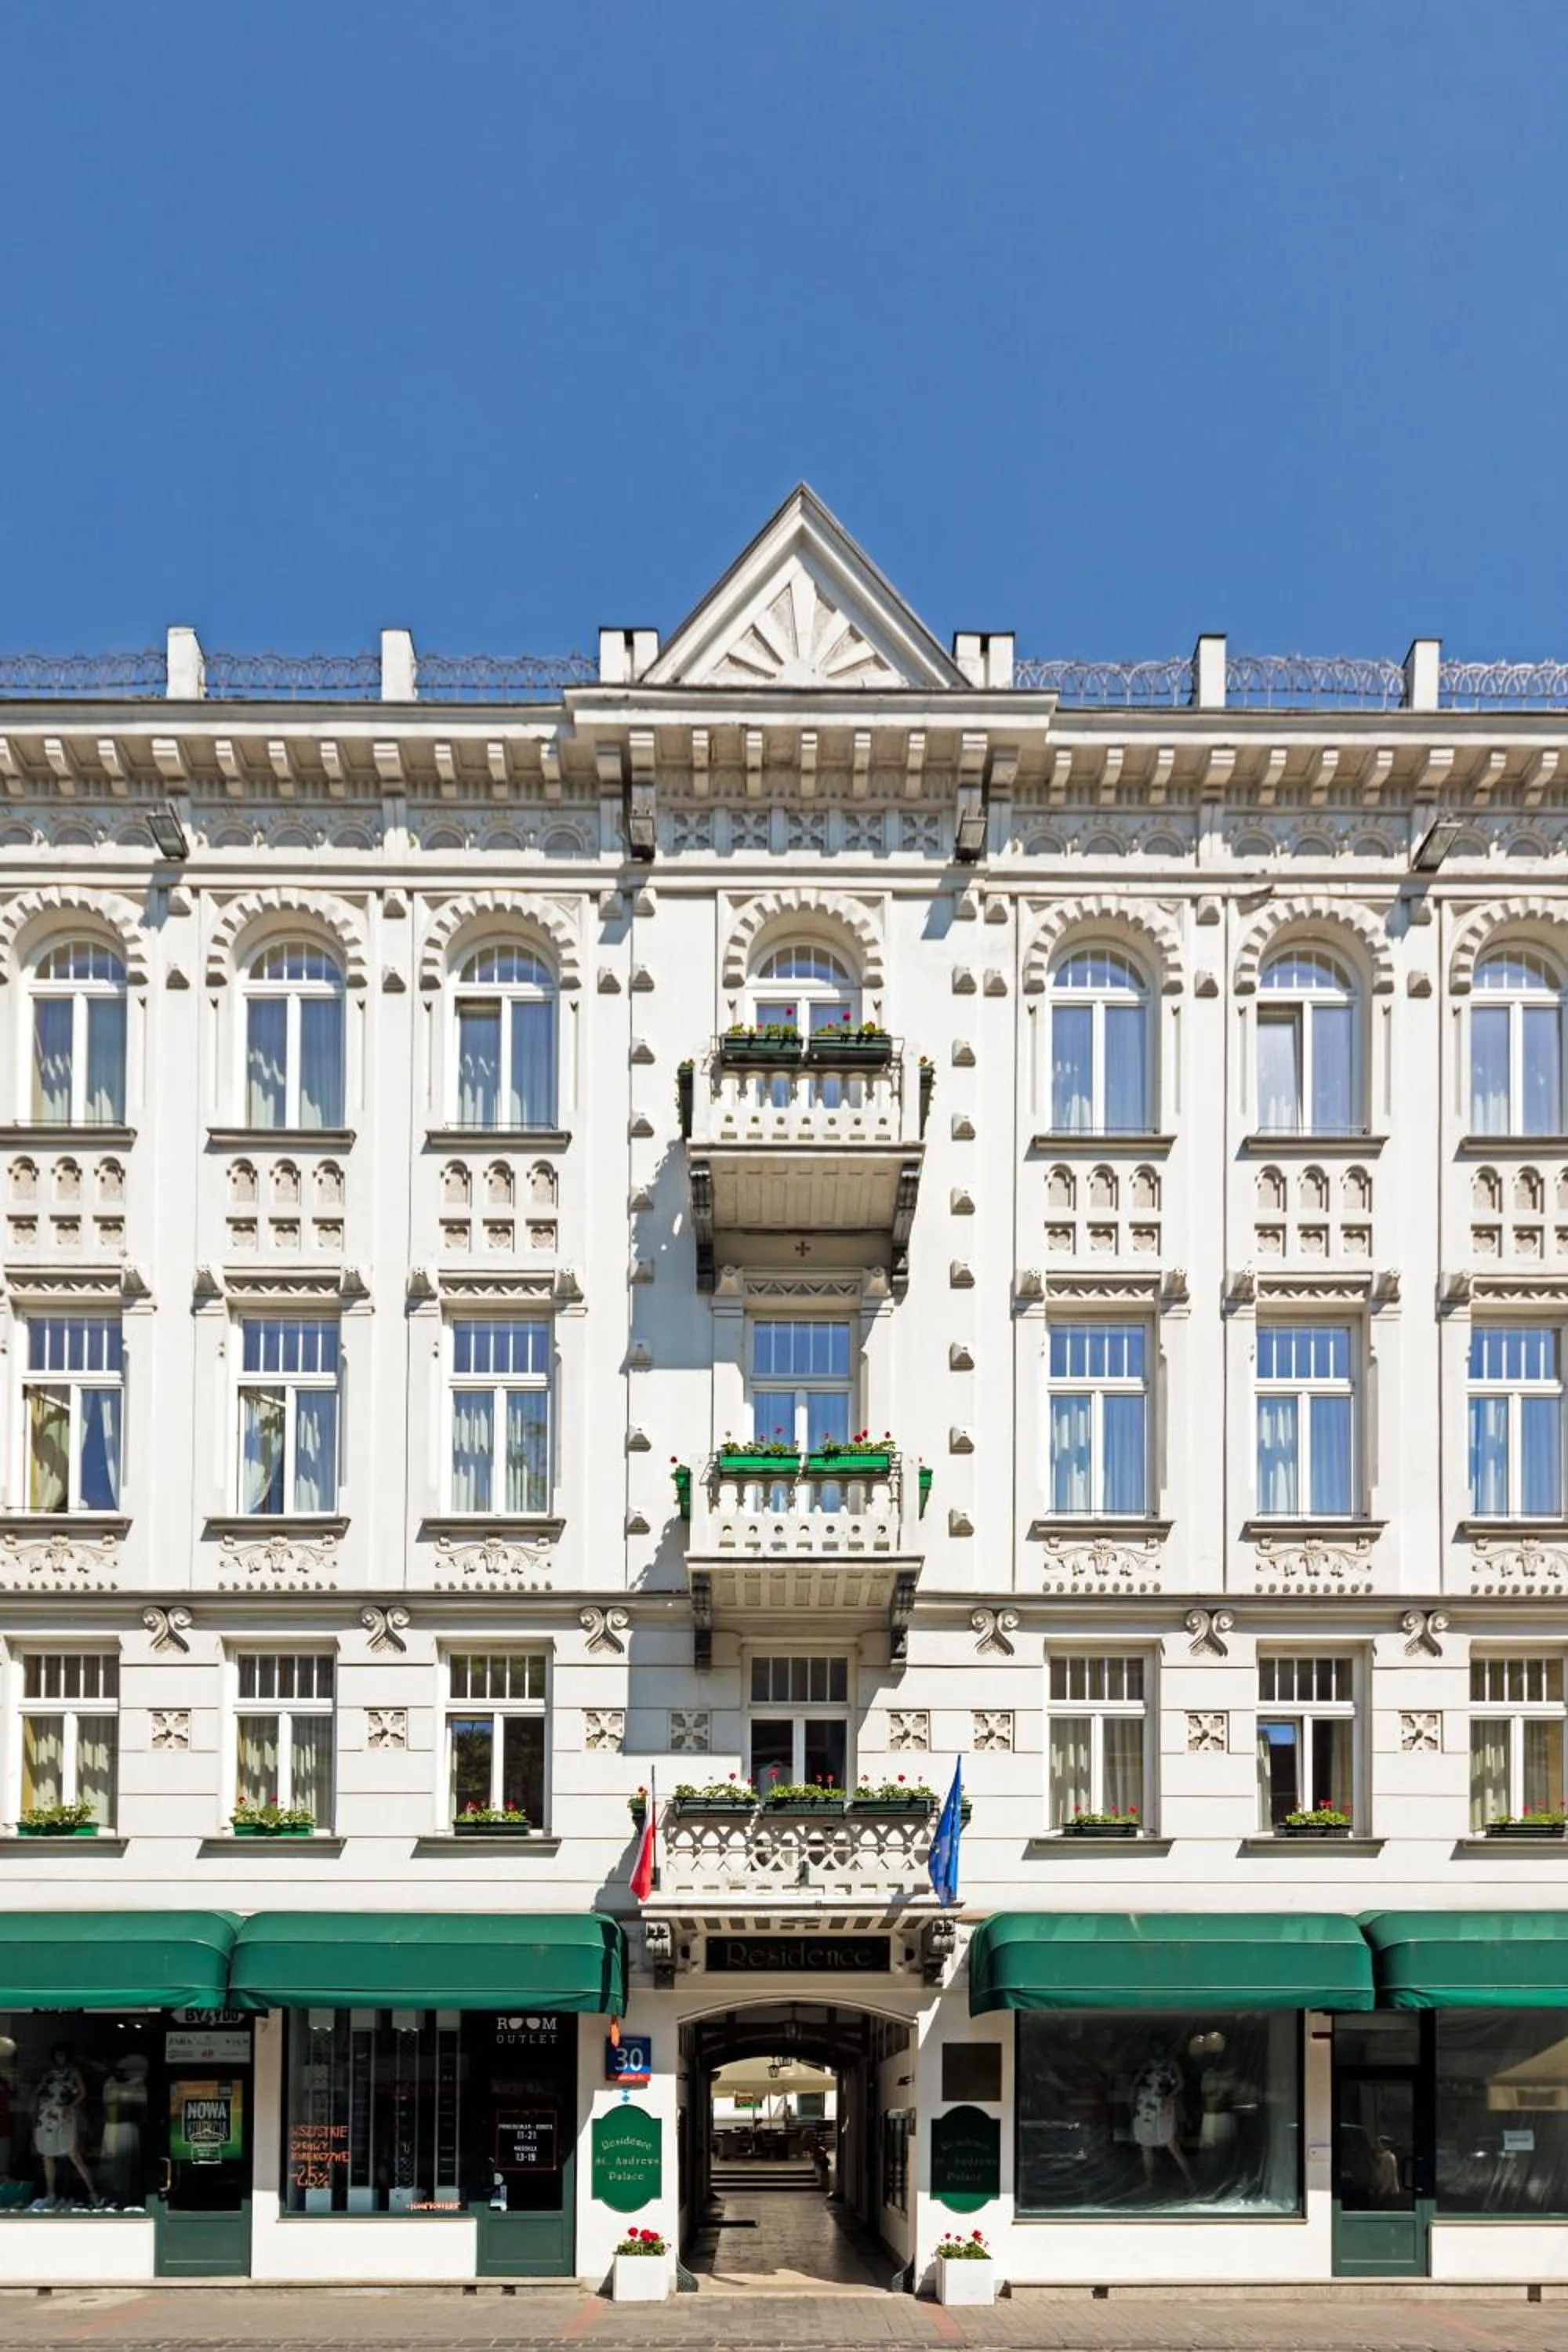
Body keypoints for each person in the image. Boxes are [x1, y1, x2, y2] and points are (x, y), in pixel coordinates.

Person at [31, 2044, 99, 2210]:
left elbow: (82, 2092)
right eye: (57, 2055)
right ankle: (51, 2194)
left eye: (62, 2055)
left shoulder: (73, 2072)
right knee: (47, 2155)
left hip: (64, 2113)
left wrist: (71, 2105)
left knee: (73, 2153)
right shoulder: (49, 2073)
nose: (59, 2058)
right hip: (47, 2113)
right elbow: (37, 2091)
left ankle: (93, 2192)